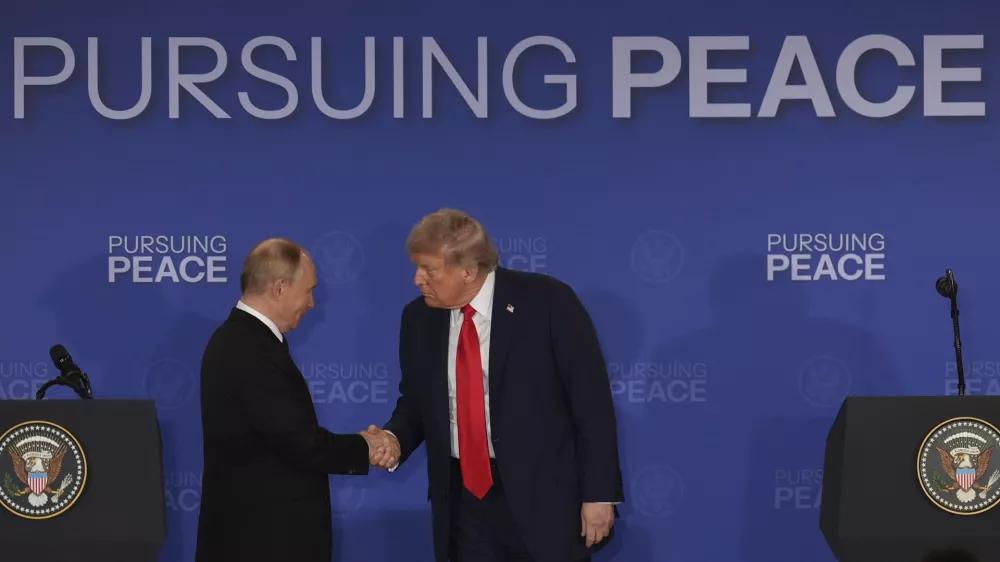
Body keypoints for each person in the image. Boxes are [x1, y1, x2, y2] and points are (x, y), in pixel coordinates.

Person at [365, 209, 624, 562]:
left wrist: (599, 494)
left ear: (468, 270)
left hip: (543, 499)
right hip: (463, 504)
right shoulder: (419, 318)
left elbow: (591, 404)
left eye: (429, 269)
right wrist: (394, 439)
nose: (417, 279)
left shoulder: (547, 302)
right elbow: (416, 401)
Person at [195, 238, 393, 562]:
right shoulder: (249, 349)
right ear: (279, 289)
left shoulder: (243, 341)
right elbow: (299, 443)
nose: (312, 302)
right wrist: (366, 446)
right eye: (309, 290)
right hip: (262, 544)